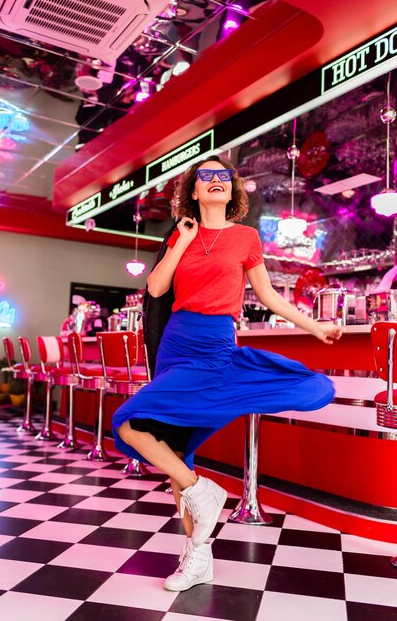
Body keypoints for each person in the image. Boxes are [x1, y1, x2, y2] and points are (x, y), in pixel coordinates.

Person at [112, 155, 342, 592]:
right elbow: (157, 288)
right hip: (176, 345)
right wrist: (181, 239)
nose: (216, 181)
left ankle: (199, 520)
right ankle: (199, 532)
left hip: (215, 346)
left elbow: (270, 296)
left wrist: (314, 327)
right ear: (194, 191)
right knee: (150, 438)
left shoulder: (247, 237)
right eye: (207, 177)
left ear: (232, 189)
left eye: (224, 177)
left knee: (141, 431)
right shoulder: (179, 236)